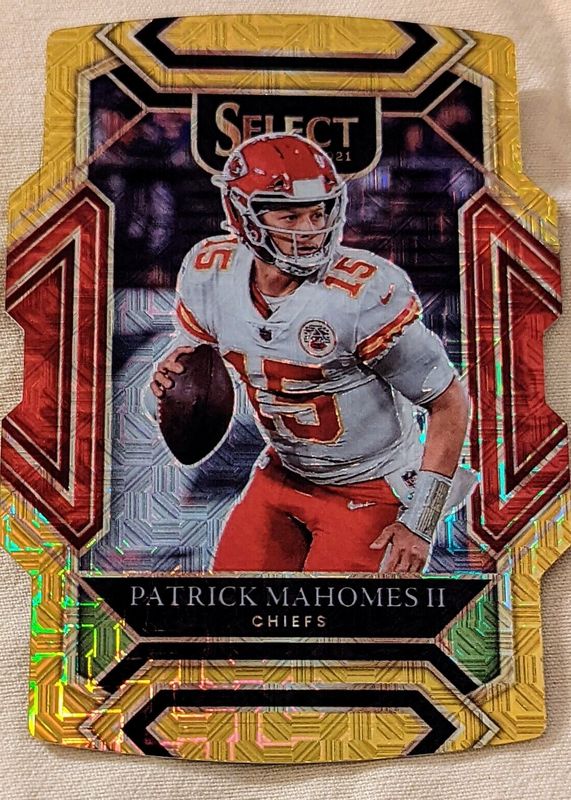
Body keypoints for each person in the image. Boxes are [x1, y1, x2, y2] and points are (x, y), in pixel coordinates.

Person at [150, 133, 471, 573]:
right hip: (283, 473)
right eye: (290, 215)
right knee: (230, 609)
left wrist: (420, 521)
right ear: (243, 217)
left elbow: (449, 403)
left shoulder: (359, 295)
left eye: (318, 213)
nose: (310, 230)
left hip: (371, 486)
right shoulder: (212, 273)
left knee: (332, 619)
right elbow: (189, 364)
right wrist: (168, 375)